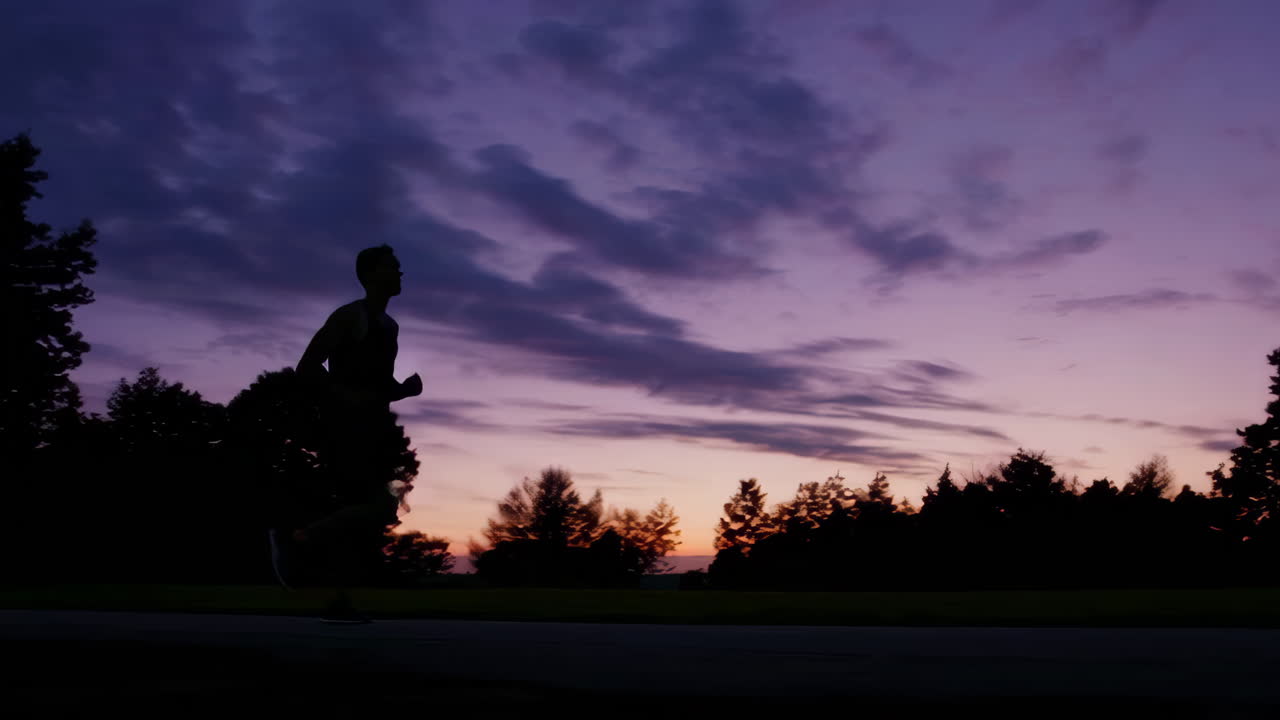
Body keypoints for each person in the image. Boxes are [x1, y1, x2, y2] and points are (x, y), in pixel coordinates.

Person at [272, 244, 422, 623]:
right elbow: (307, 365)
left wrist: (404, 389)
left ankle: (337, 596)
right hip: (345, 428)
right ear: (371, 274)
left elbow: (380, 384)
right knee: (378, 507)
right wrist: (346, 400)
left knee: (362, 514)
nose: (401, 273)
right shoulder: (347, 317)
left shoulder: (389, 327)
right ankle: (295, 539)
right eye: (394, 267)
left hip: (372, 430)